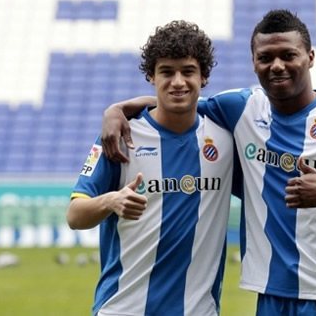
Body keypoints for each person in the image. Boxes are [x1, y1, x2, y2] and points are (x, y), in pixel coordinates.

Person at [101, 10, 316, 316]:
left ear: (310, 57)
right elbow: (179, 101)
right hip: (272, 297)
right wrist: (117, 109)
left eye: (288, 55)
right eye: (266, 58)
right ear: (254, 63)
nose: (277, 65)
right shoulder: (241, 109)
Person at [67, 20, 235, 316]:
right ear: (151, 76)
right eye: (167, 72)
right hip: (122, 309)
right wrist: (111, 200)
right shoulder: (120, 135)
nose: (178, 82)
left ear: (204, 76)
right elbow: (75, 216)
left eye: (188, 71)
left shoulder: (226, 138)